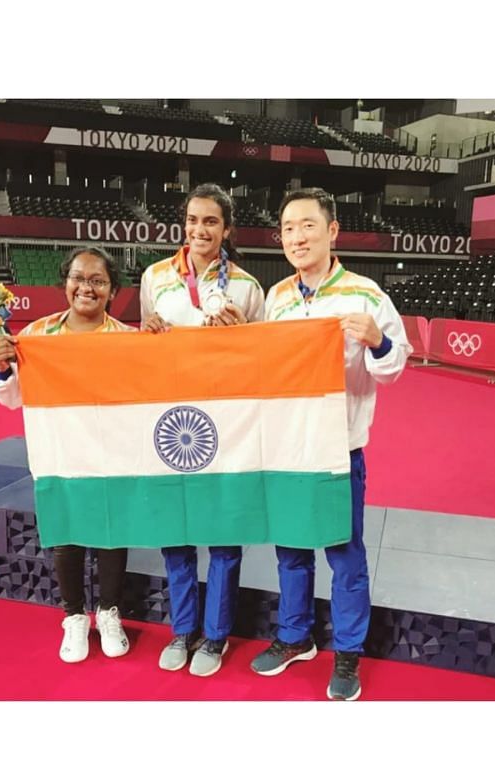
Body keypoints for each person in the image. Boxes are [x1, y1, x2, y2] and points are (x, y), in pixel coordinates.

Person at [250, 188, 411, 700]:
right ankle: (295, 637)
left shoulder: (366, 296)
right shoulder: (276, 298)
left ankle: (347, 652)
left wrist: (377, 341)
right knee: (292, 551)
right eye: (288, 228)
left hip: (338, 451)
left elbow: (393, 367)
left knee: (345, 557)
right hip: (287, 450)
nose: (296, 237)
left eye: (307, 226)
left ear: (332, 231)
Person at [140, 183, 265, 677]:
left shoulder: (248, 287)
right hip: (171, 423)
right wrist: (146, 335)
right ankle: (182, 629)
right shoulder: (155, 278)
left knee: (223, 537)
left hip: (226, 423)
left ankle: (214, 638)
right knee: (176, 533)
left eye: (210, 222)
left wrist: (241, 339)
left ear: (226, 229)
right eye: (192, 220)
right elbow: (142, 351)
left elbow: (263, 361)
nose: (199, 230)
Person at [0, 246, 135, 664]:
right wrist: (2, 368)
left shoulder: (128, 341)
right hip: (59, 452)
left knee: (110, 535)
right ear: (64, 283)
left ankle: (108, 612)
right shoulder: (37, 336)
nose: (85, 287)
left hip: (112, 456)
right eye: (78, 277)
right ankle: (73, 616)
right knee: (66, 539)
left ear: (112, 291)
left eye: (97, 280)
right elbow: (12, 396)